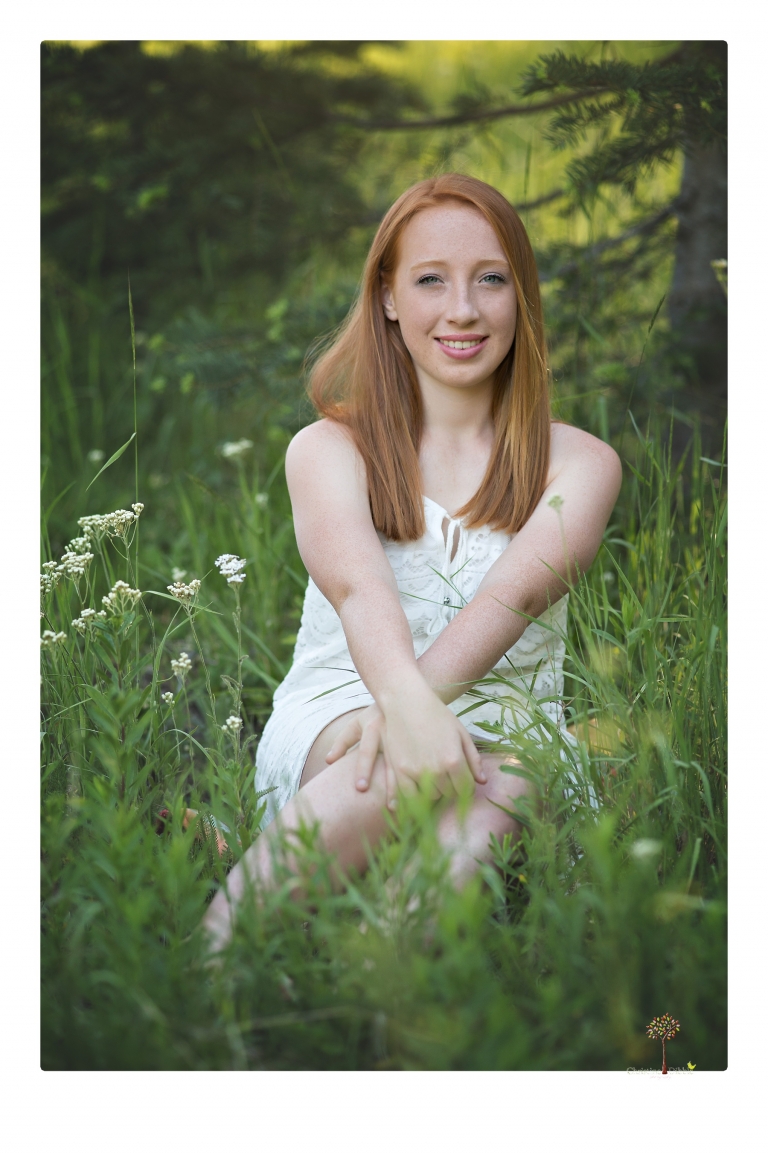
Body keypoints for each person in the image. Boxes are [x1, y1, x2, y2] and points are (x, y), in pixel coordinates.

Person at [202, 173, 622, 952]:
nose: (462, 310)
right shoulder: (329, 448)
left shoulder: (581, 463)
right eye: (431, 280)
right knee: (392, 761)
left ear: (521, 296)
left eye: (490, 279)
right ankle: (219, 951)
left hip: (511, 726)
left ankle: (372, 974)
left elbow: (515, 598)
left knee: (502, 780)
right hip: (346, 711)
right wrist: (404, 707)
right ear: (388, 297)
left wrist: (417, 710)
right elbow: (358, 589)